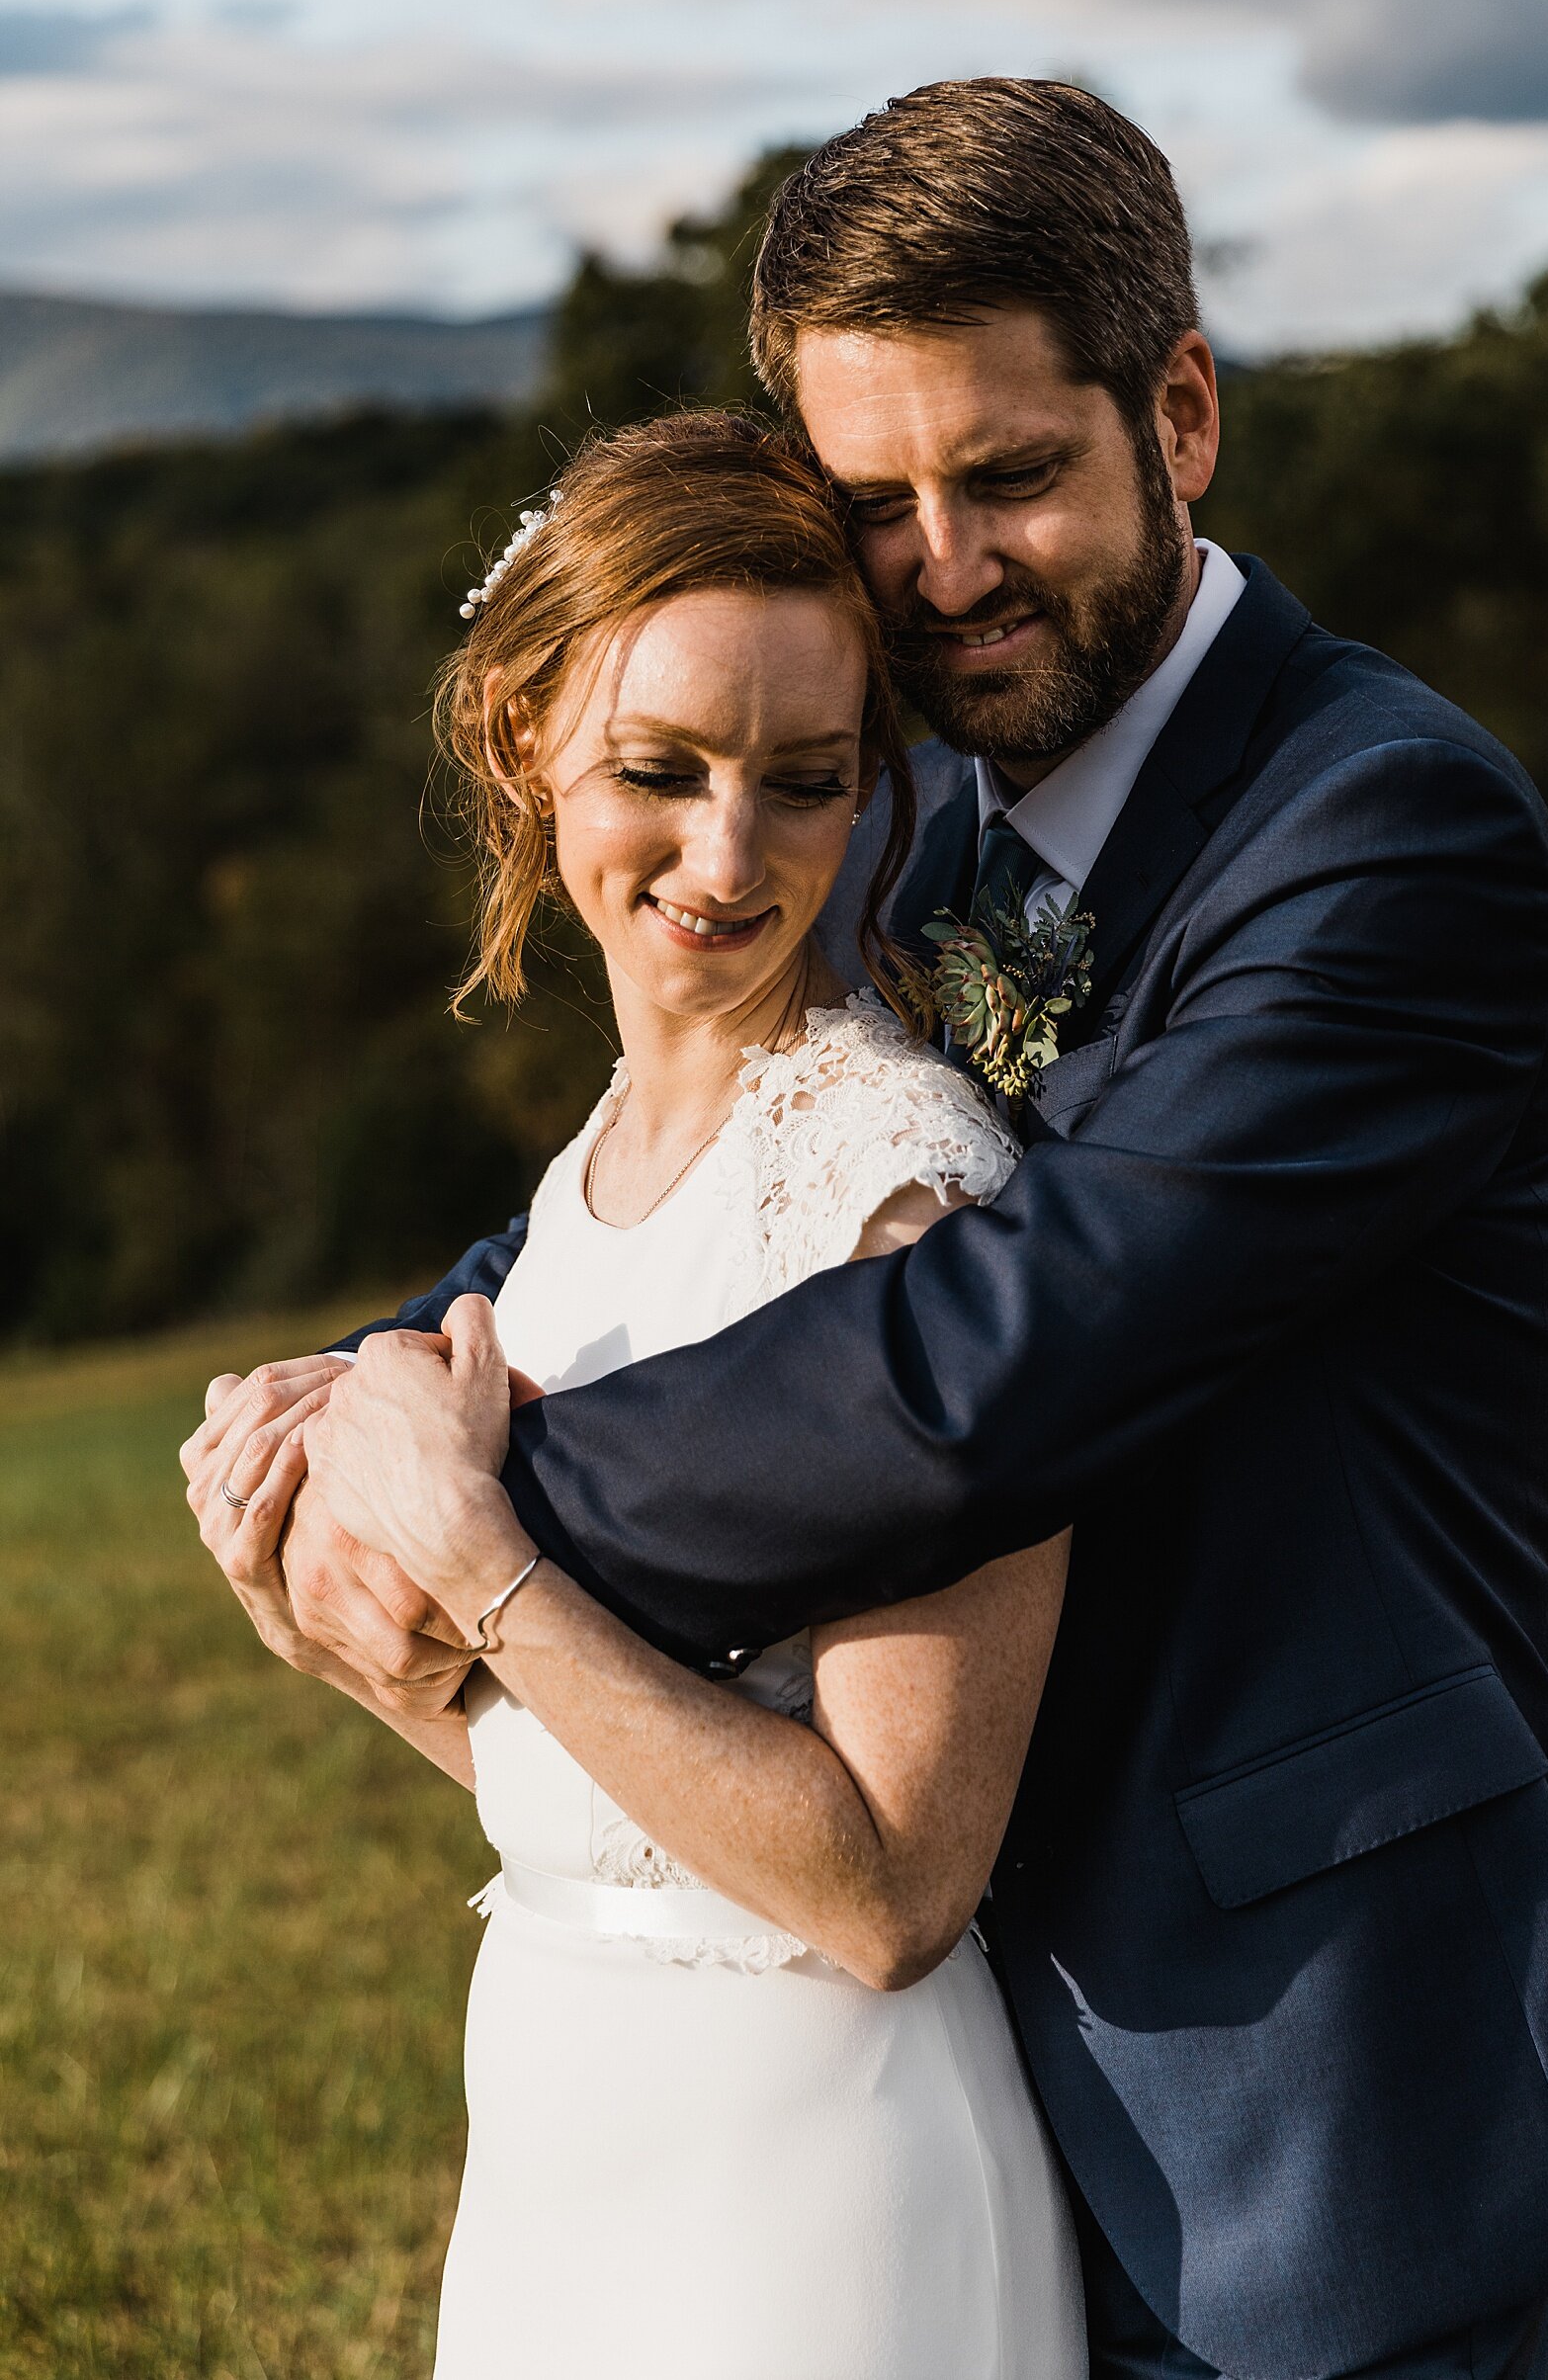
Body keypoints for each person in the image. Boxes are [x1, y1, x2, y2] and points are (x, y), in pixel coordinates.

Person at [189, 81, 1548, 2380]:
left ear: (1179, 416)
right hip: (918, 2050)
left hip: (1291, 2062)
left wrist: (462, 1511)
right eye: (873, 501)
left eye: (1008, 475)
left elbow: (992, 1360)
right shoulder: (886, 813)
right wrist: (367, 1392)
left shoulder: (1387, 835)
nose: (938, 566)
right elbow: (694, 1186)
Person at [185, 412, 1088, 2378]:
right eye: (657, 772)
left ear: (877, 790)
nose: (724, 853)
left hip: (821, 2186)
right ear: (527, 742)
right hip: (565, 2114)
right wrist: (347, 1648)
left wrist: (474, 1564)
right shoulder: (580, 1185)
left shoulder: (897, 1187)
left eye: (804, 781)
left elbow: (887, 1888)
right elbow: (617, 1814)